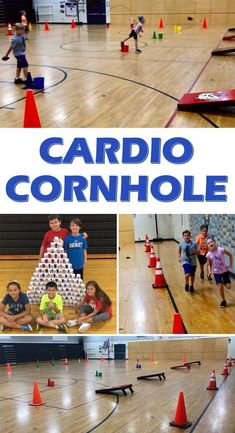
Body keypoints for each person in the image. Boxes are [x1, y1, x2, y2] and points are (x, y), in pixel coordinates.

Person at [206, 238, 233, 308]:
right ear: (207, 246)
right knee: (220, 286)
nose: (210, 244)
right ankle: (223, 300)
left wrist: (230, 264)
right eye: (208, 243)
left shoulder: (221, 250)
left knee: (228, 287)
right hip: (216, 273)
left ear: (214, 242)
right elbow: (209, 264)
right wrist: (209, 271)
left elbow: (230, 255)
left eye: (211, 242)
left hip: (224, 271)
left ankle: (221, 282)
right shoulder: (208, 254)